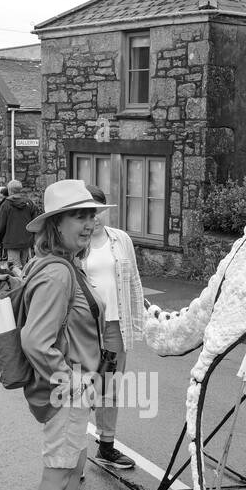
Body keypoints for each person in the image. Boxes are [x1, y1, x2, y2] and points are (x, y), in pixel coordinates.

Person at [19, 180, 110, 490]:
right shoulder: (58, 272)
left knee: (72, 466)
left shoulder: (62, 264)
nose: (88, 223)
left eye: (91, 215)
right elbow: (35, 339)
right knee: (58, 472)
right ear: (55, 223)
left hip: (73, 385)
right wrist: (70, 380)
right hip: (67, 388)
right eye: (78, 215)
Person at [82, 185, 144, 470]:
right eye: (88, 213)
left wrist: (136, 319)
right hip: (84, 327)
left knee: (109, 386)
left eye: (98, 212)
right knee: (80, 386)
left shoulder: (120, 240)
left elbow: (133, 281)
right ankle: (73, 454)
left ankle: (106, 446)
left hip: (115, 326)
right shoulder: (74, 244)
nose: (94, 219)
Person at [0, 180, 37, 268]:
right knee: (23, 266)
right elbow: (35, 222)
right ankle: (23, 281)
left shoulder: (6, 204)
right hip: (26, 241)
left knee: (14, 268)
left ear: (10, 190)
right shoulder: (29, 203)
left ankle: (20, 281)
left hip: (11, 241)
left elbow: (1, 224)